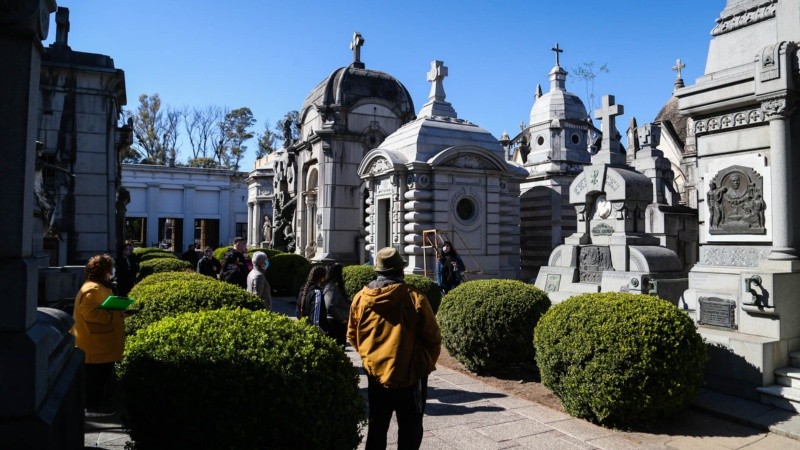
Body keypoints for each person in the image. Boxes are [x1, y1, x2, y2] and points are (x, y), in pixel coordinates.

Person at [348, 247, 441, 450]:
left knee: (377, 428)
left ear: (378, 271)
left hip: (376, 376)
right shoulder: (414, 298)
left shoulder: (361, 298)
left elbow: (352, 335)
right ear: (400, 271)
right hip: (409, 376)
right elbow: (433, 338)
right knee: (410, 430)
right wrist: (421, 364)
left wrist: (370, 359)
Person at [71, 254, 127, 412]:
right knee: (96, 384)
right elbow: (90, 313)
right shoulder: (94, 289)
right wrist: (113, 314)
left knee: (98, 382)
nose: (112, 272)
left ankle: (97, 407)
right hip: (96, 348)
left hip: (99, 347)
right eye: (110, 269)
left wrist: (121, 312)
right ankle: (96, 410)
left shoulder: (97, 286)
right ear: (104, 271)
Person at [323, 263, 349, 347]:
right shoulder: (332, 288)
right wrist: (341, 318)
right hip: (335, 324)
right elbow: (330, 305)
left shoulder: (332, 287)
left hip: (336, 323)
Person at [297, 266, 328, 333]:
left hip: (303, 329)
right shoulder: (316, 293)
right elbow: (316, 319)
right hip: (314, 332)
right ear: (322, 278)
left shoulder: (303, 290)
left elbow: (298, 312)